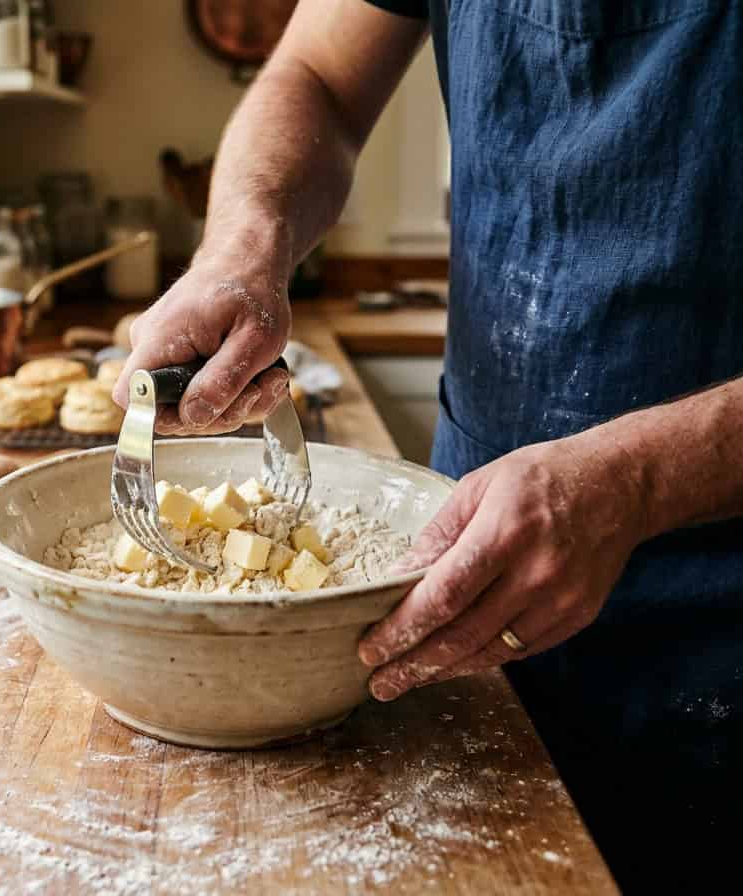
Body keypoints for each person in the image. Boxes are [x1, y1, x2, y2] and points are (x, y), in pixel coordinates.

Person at [113, 0, 742, 888]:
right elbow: (318, 79)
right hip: (460, 555)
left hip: (720, 608)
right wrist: (243, 244)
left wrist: (638, 480)